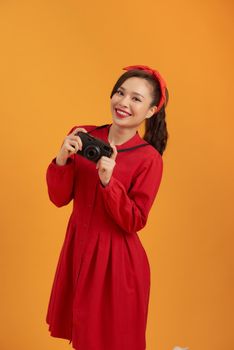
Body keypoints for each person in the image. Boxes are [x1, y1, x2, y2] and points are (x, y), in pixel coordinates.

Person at [45, 64, 169, 350]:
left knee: (111, 342)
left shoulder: (149, 159)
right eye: (120, 92)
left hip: (116, 263)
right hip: (78, 250)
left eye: (136, 98)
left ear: (150, 111)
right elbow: (59, 198)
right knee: (82, 337)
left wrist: (108, 181)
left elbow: (134, 220)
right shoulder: (84, 134)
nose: (123, 102)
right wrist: (62, 158)